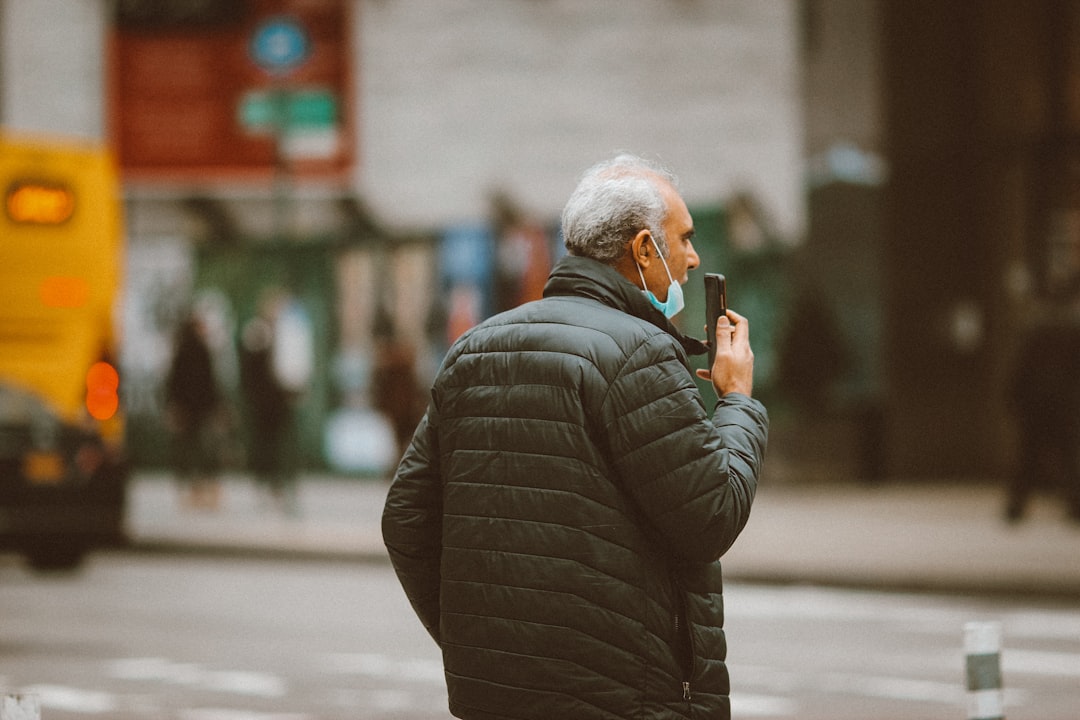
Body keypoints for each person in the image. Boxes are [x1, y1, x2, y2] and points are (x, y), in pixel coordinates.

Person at [382, 154, 769, 720]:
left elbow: (406, 522)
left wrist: (487, 650)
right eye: (683, 239)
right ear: (642, 249)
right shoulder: (640, 353)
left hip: (494, 697)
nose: (693, 258)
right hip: (626, 701)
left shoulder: (474, 348)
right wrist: (736, 401)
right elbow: (712, 512)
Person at [1005, 300, 1080, 523]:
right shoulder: (1073, 329)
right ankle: (1076, 504)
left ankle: (1016, 505)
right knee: (1069, 455)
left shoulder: (1034, 329)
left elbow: (1021, 366)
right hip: (1065, 402)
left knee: (1028, 455)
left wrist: (1012, 397)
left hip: (1036, 401)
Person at [164, 311, 223, 509]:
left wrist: (174, 405)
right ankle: (205, 490)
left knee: (188, 449)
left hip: (187, 408)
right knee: (205, 449)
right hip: (201, 407)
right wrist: (217, 405)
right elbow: (210, 383)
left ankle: (194, 490)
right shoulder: (202, 350)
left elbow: (173, 382)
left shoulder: (181, 350)